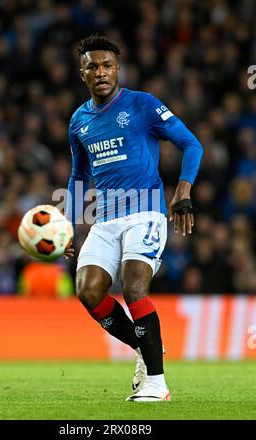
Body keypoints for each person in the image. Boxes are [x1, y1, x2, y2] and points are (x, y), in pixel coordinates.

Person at [64, 35, 203, 402]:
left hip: (146, 211)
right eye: (92, 66)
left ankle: (157, 384)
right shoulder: (79, 121)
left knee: (134, 284)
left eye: (107, 65)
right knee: (88, 290)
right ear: (83, 74)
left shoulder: (143, 105)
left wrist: (184, 190)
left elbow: (192, 144)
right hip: (105, 219)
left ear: (117, 68)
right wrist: (69, 224)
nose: (101, 72)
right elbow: (79, 176)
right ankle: (144, 348)